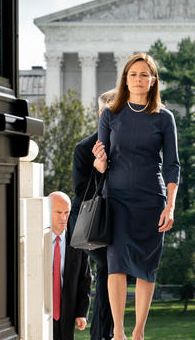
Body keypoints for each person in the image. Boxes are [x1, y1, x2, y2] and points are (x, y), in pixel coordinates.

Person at [92, 53, 180, 340]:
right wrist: (99, 162)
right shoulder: (110, 114)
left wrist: (170, 205)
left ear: (153, 80)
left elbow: (172, 165)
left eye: (144, 74)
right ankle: (118, 332)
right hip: (116, 199)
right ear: (125, 79)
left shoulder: (164, 118)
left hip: (151, 201)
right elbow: (101, 161)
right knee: (115, 265)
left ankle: (138, 332)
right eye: (133, 74)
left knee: (145, 268)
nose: (139, 79)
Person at [69, 89, 117, 340]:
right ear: (101, 114)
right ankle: (103, 335)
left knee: (111, 271)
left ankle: (104, 334)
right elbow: (81, 193)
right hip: (88, 224)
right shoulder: (84, 148)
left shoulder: (127, 145)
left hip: (115, 221)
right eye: (112, 112)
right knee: (110, 267)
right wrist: (99, 170)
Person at [50, 191, 92, 340]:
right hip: (42, 312)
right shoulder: (37, 241)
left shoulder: (78, 241)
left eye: (67, 212)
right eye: (58, 212)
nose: (64, 218)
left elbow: (85, 279)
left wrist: (82, 312)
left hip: (67, 312)